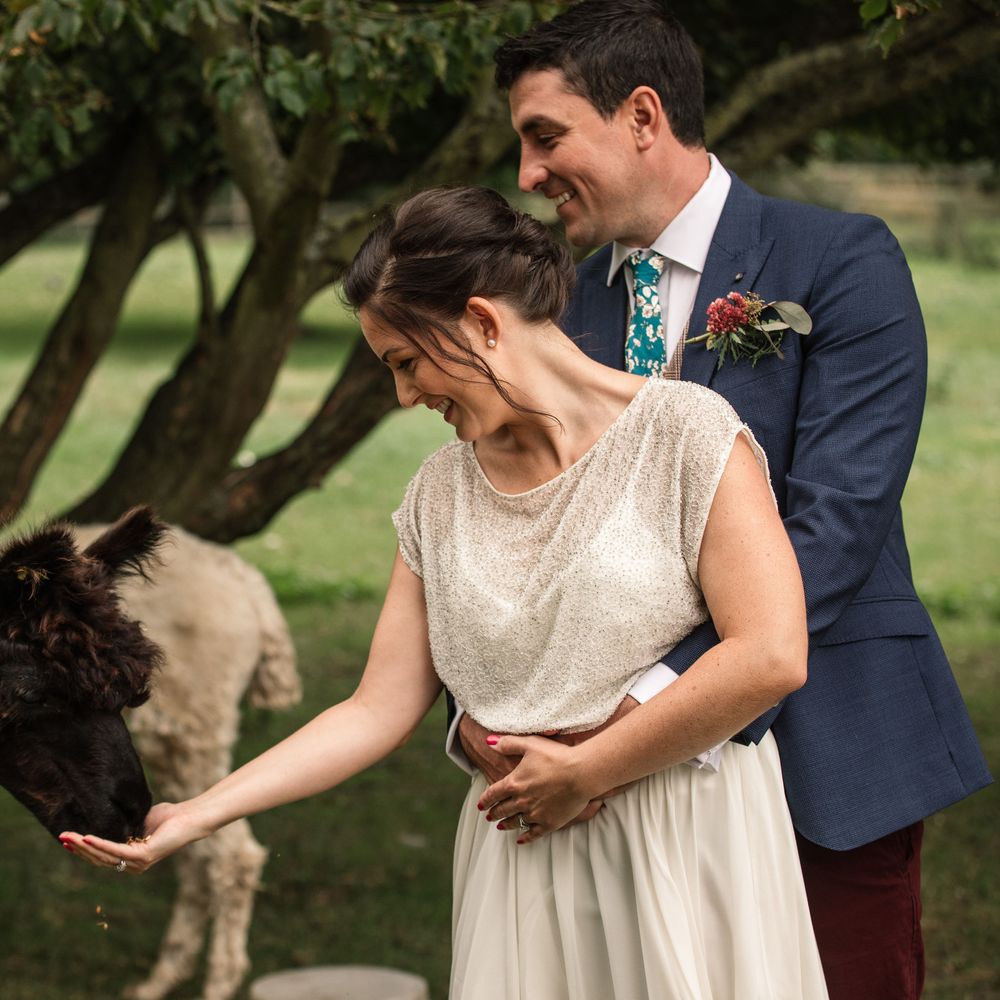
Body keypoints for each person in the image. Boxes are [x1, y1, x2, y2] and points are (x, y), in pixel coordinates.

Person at [62, 185, 830, 999]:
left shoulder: (686, 432)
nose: (403, 396)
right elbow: (374, 709)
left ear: (482, 322)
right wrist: (199, 812)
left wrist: (590, 770)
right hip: (520, 868)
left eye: (405, 361)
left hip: (680, 843)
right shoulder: (438, 493)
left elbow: (770, 654)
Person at [450, 3, 992, 998]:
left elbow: (833, 529)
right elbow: (518, 516)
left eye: (545, 136)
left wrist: (641, 712)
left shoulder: (840, 261)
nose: (526, 175)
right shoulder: (561, 300)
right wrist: (495, 705)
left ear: (643, 116)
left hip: (824, 756)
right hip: (614, 807)